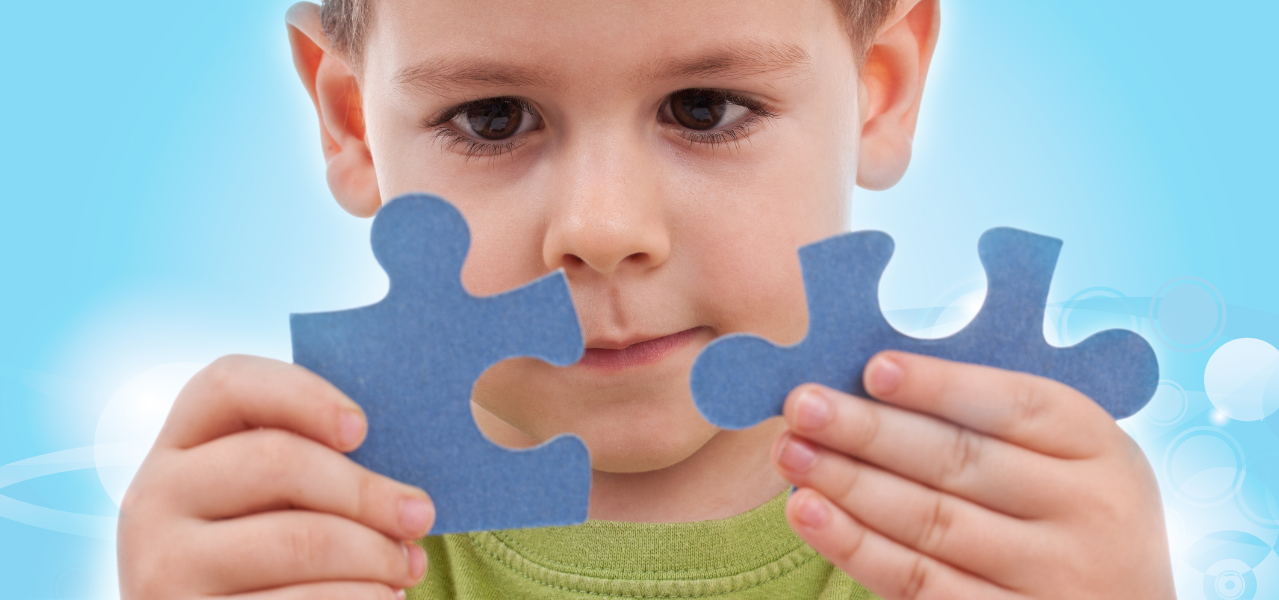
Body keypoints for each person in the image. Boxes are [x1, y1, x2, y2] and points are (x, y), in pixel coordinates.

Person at [116, 1, 1176, 598]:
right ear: (351, 125)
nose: (603, 228)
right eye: (492, 118)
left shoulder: (997, 535)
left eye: (703, 107)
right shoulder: (296, 539)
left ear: (879, 88)